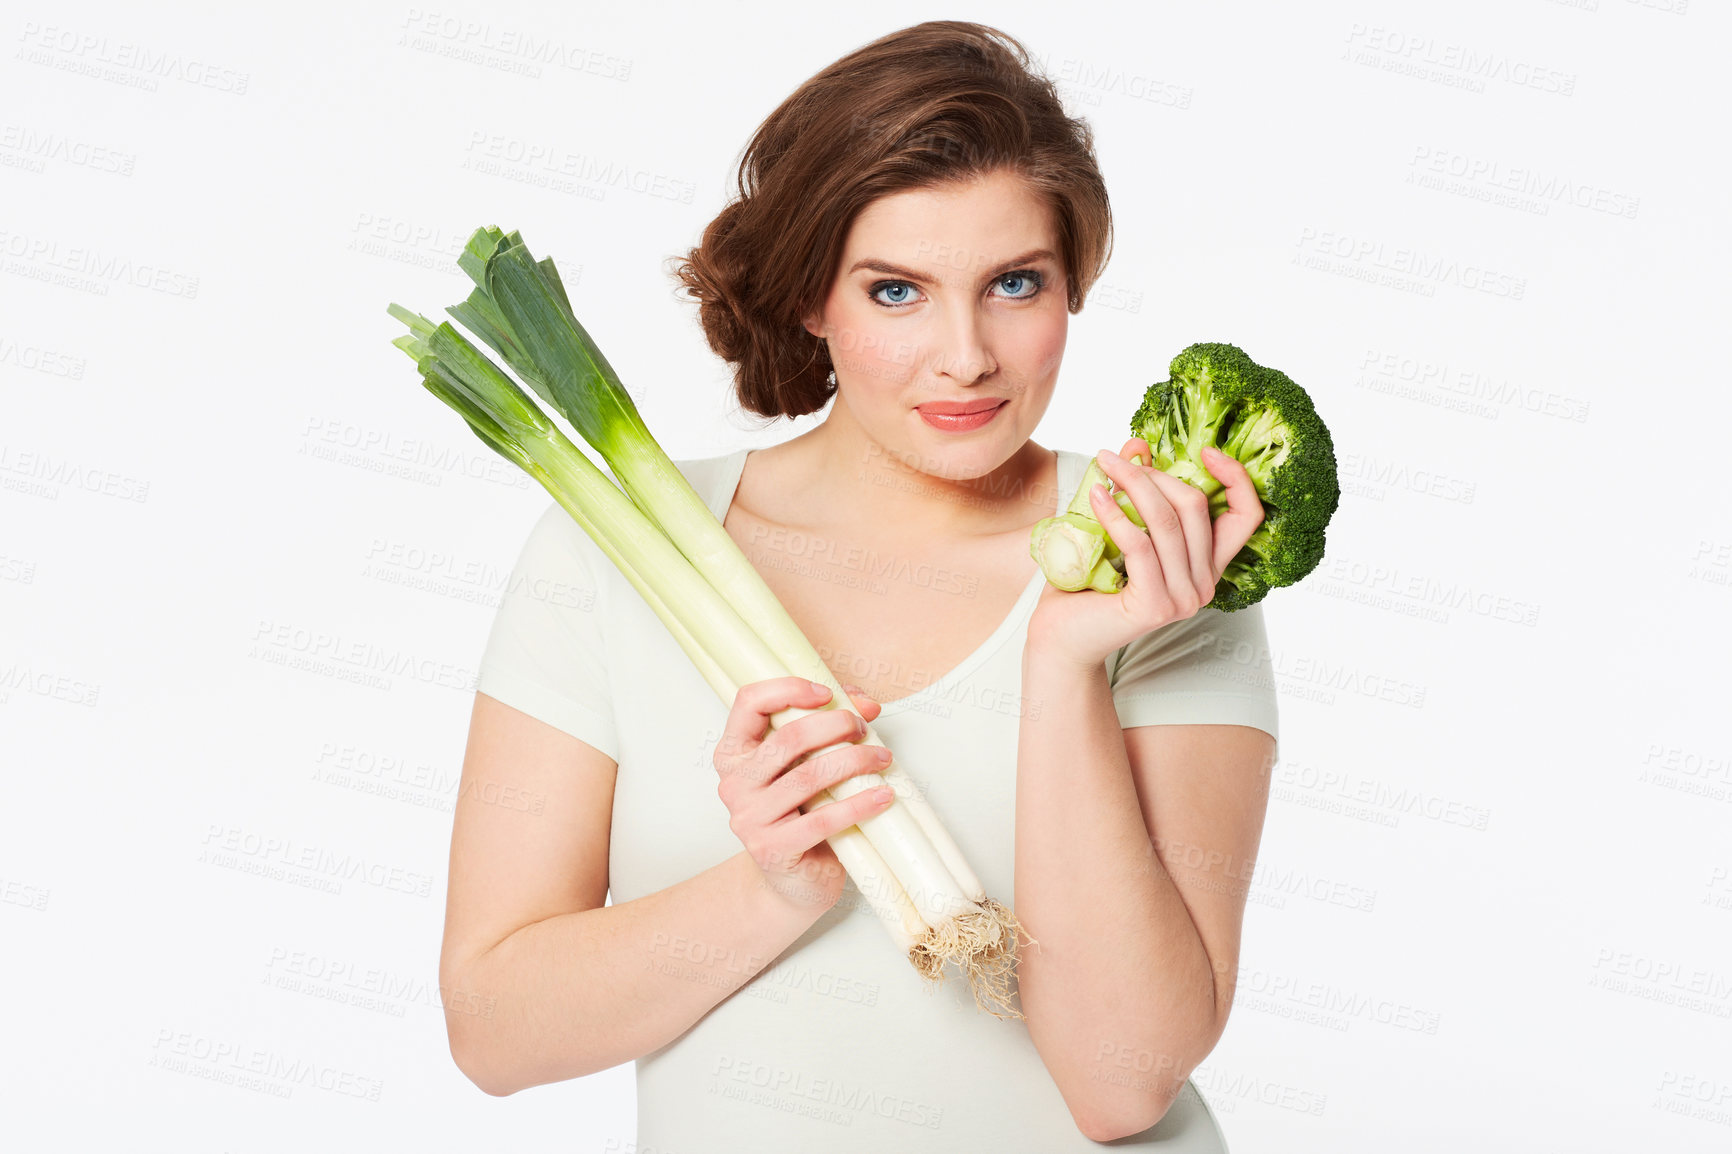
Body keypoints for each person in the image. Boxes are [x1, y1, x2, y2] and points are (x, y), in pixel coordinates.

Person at [438, 20, 1279, 1151]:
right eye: (895, 291)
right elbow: (495, 1030)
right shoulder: (614, 548)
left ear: (1069, 286)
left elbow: (1120, 1083)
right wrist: (774, 886)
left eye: (1014, 283)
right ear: (809, 298)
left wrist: (1063, 661)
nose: (965, 354)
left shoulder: (1156, 555)